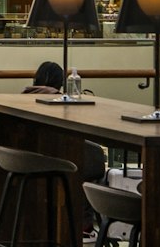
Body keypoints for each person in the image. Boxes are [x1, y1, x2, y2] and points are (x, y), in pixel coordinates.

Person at [23, 62, 108, 237]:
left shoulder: (24, 95)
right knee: (92, 166)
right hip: (57, 157)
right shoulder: (59, 100)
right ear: (60, 81)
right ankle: (84, 224)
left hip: (30, 159)